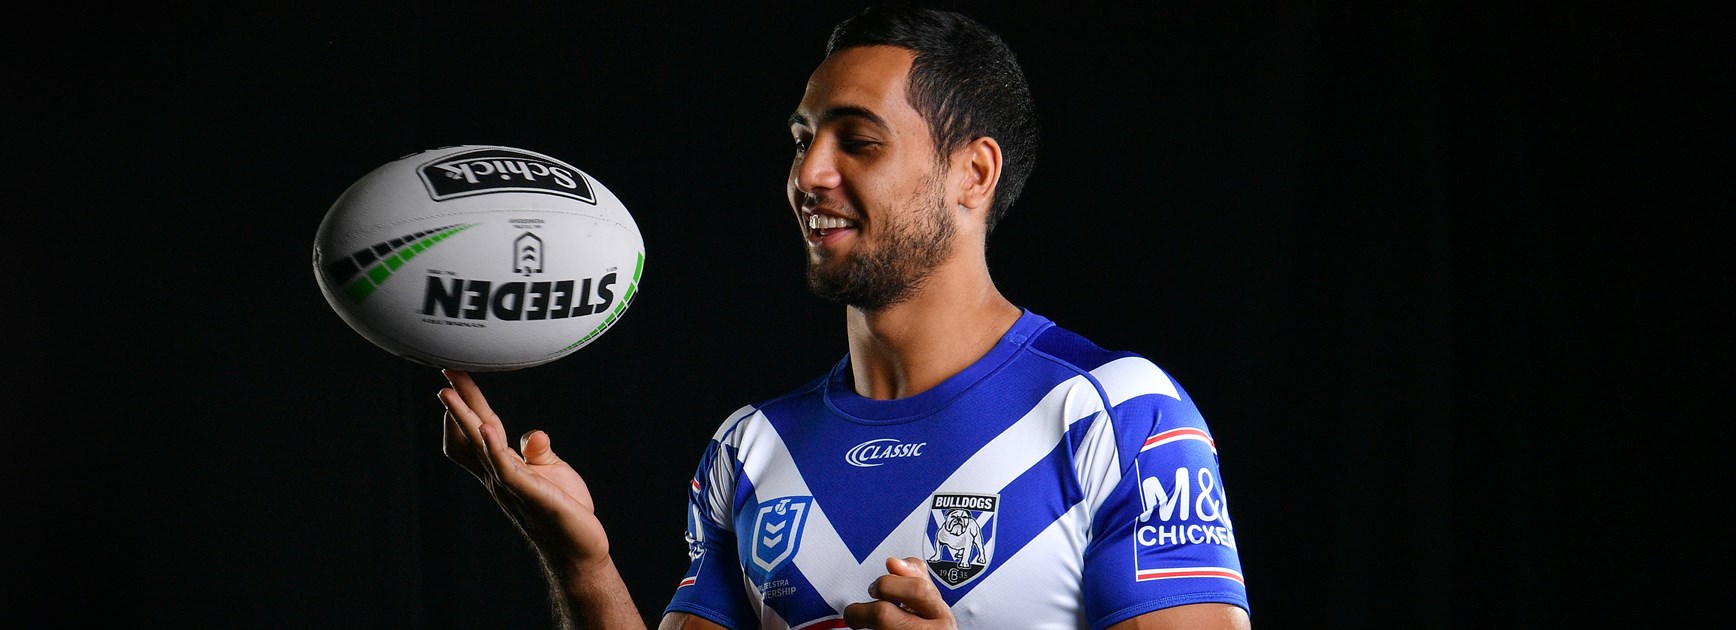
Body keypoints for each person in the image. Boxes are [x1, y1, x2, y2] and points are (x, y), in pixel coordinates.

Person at [437, 5, 1251, 629]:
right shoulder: (752, 448)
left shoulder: (1117, 413)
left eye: (857, 142)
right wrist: (579, 560)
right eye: (802, 140)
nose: (809, 174)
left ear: (973, 173)